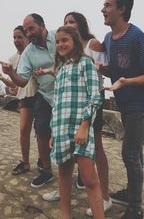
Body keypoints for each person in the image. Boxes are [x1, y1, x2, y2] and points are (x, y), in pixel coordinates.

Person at [43, 12, 113, 216]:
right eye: (57, 42)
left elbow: (95, 97)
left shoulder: (86, 64)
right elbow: (56, 105)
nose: (60, 45)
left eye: (64, 40)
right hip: (61, 130)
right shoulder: (61, 69)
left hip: (81, 131)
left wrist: (84, 126)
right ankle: (66, 214)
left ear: (75, 40)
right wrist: (53, 133)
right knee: (64, 176)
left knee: (90, 179)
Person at [101, 0, 144, 219]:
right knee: (136, 152)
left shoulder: (137, 37)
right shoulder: (108, 39)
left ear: (122, 9)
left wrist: (127, 81)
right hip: (125, 104)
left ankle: (135, 209)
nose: (102, 9)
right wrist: (99, 67)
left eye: (108, 5)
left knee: (129, 154)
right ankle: (131, 193)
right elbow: (113, 69)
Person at [0, 13, 56, 188]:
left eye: (31, 29)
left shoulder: (58, 37)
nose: (29, 33)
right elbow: (22, 81)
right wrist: (9, 74)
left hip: (66, 91)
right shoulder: (28, 53)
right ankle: (46, 169)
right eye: (26, 31)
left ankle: (82, 173)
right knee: (40, 128)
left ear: (42, 25)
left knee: (69, 133)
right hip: (45, 94)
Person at [0, 26, 38, 175]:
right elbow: (15, 84)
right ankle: (25, 162)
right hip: (25, 96)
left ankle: (45, 162)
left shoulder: (35, 52)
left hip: (40, 94)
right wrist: (3, 78)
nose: (16, 40)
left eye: (19, 37)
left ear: (27, 38)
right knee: (24, 130)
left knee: (43, 131)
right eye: (14, 38)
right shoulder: (12, 59)